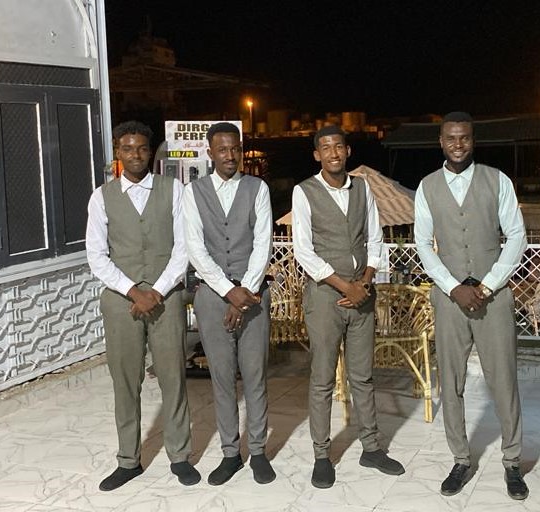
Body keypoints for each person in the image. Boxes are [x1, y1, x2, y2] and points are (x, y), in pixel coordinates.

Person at [414, 111, 529, 501]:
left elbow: (516, 236)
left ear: (473, 140)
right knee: (451, 381)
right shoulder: (427, 187)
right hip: (449, 300)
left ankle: (512, 462)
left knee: (504, 380)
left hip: (493, 296)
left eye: (464, 137)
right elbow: (423, 244)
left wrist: (488, 284)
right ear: (441, 142)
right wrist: (452, 287)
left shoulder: (498, 180)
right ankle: (460, 458)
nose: (458, 144)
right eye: (451, 138)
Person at [86, 121, 200, 491]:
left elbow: (184, 246)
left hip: (167, 298)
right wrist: (134, 291)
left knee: (173, 377)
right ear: (117, 153)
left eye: (141, 148)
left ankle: (179, 456)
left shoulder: (173, 189)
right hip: (121, 301)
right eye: (127, 148)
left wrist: (158, 290)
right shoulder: (102, 197)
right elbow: (96, 256)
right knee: (124, 381)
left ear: (150, 152)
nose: (135, 154)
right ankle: (128, 460)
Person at [291, 125, 405, 489]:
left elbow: (374, 238)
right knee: (323, 378)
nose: (333, 153)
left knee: (363, 376)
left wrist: (365, 282)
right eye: (326, 148)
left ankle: (371, 447)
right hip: (326, 297)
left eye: (338, 146)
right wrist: (345, 286)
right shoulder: (303, 191)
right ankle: (322, 455)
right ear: (317, 155)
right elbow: (303, 250)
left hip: (363, 294)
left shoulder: (363, 188)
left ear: (348, 150)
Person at [182, 122, 276, 486]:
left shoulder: (257, 188)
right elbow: (195, 248)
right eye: (222, 149)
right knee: (221, 378)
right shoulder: (193, 192)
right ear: (210, 152)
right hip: (211, 297)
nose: (230, 155)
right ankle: (230, 454)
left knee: (255, 375)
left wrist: (245, 291)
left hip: (253, 295)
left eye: (235, 148)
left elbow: (263, 242)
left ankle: (259, 451)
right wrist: (227, 291)